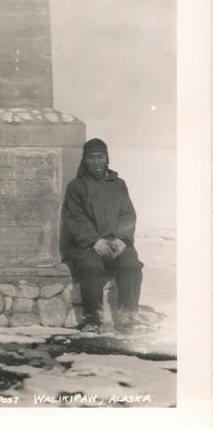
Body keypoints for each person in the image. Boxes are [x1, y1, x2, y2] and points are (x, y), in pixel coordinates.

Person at [61, 138, 143, 334]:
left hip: (116, 242)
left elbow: (128, 213)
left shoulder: (119, 185)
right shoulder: (77, 186)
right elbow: (74, 217)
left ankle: (128, 315)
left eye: (100, 157)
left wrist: (122, 239)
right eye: (91, 158)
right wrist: (94, 240)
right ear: (85, 160)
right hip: (89, 244)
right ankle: (93, 318)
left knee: (131, 264)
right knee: (91, 266)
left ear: (107, 159)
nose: (96, 163)